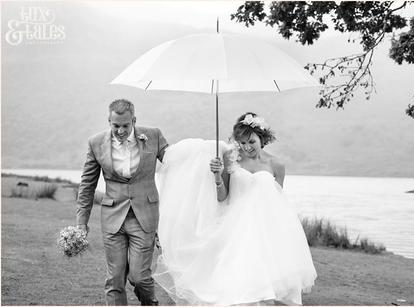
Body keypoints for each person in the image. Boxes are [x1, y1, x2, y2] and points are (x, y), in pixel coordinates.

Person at [154, 112, 317, 305]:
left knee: (263, 286)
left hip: (264, 231)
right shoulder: (231, 160)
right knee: (234, 286)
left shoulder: (277, 165)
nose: (247, 147)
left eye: (251, 142)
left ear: (262, 138)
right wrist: (217, 175)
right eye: (242, 143)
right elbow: (223, 197)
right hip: (234, 229)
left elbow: (277, 200)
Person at [76, 99, 168, 305]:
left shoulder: (153, 135)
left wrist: (201, 162)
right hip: (112, 219)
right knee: (114, 279)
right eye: (115, 125)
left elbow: (174, 163)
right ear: (109, 121)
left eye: (125, 125)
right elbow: (87, 185)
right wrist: (81, 223)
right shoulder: (96, 142)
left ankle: (150, 304)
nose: (120, 130)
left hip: (144, 217)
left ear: (134, 120)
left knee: (139, 277)